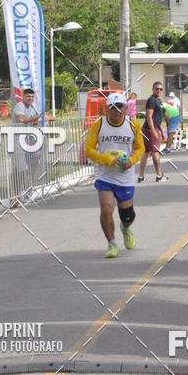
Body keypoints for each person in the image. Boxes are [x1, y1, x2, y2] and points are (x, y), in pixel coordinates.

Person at [83, 92, 144, 258]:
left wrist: (131, 160)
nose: (117, 111)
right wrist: (106, 160)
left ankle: (125, 228)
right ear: (106, 109)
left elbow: (140, 148)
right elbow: (88, 149)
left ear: (125, 108)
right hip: (105, 176)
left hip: (125, 176)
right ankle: (111, 243)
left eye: (120, 107)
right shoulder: (98, 124)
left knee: (127, 215)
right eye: (113, 107)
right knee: (106, 209)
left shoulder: (133, 124)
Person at [12, 87, 42, 206]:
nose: (30, 99)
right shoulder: (20, 106)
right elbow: (20, 119)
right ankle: (18, 194)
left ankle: (24, 193)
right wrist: (32, 119)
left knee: (30, 168)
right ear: (23, 97)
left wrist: (42, 119)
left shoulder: (31, 108)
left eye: (32, 97)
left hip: (28, 143)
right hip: (17, 142)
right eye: (28, 96)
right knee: (21, 170)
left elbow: (36, 118)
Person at [138, 81, 169, 182]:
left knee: (146, 152)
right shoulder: (151, 100)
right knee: (155, 152)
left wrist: (163, 132)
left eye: (160, 89)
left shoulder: (159, 101)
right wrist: (154, 131)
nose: (159, 90)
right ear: (153, 89)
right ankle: (159, 176)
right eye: (157, 89)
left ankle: (141, 176)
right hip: (149, 129)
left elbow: (158, 119)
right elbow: (149, 117)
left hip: (152, 128)